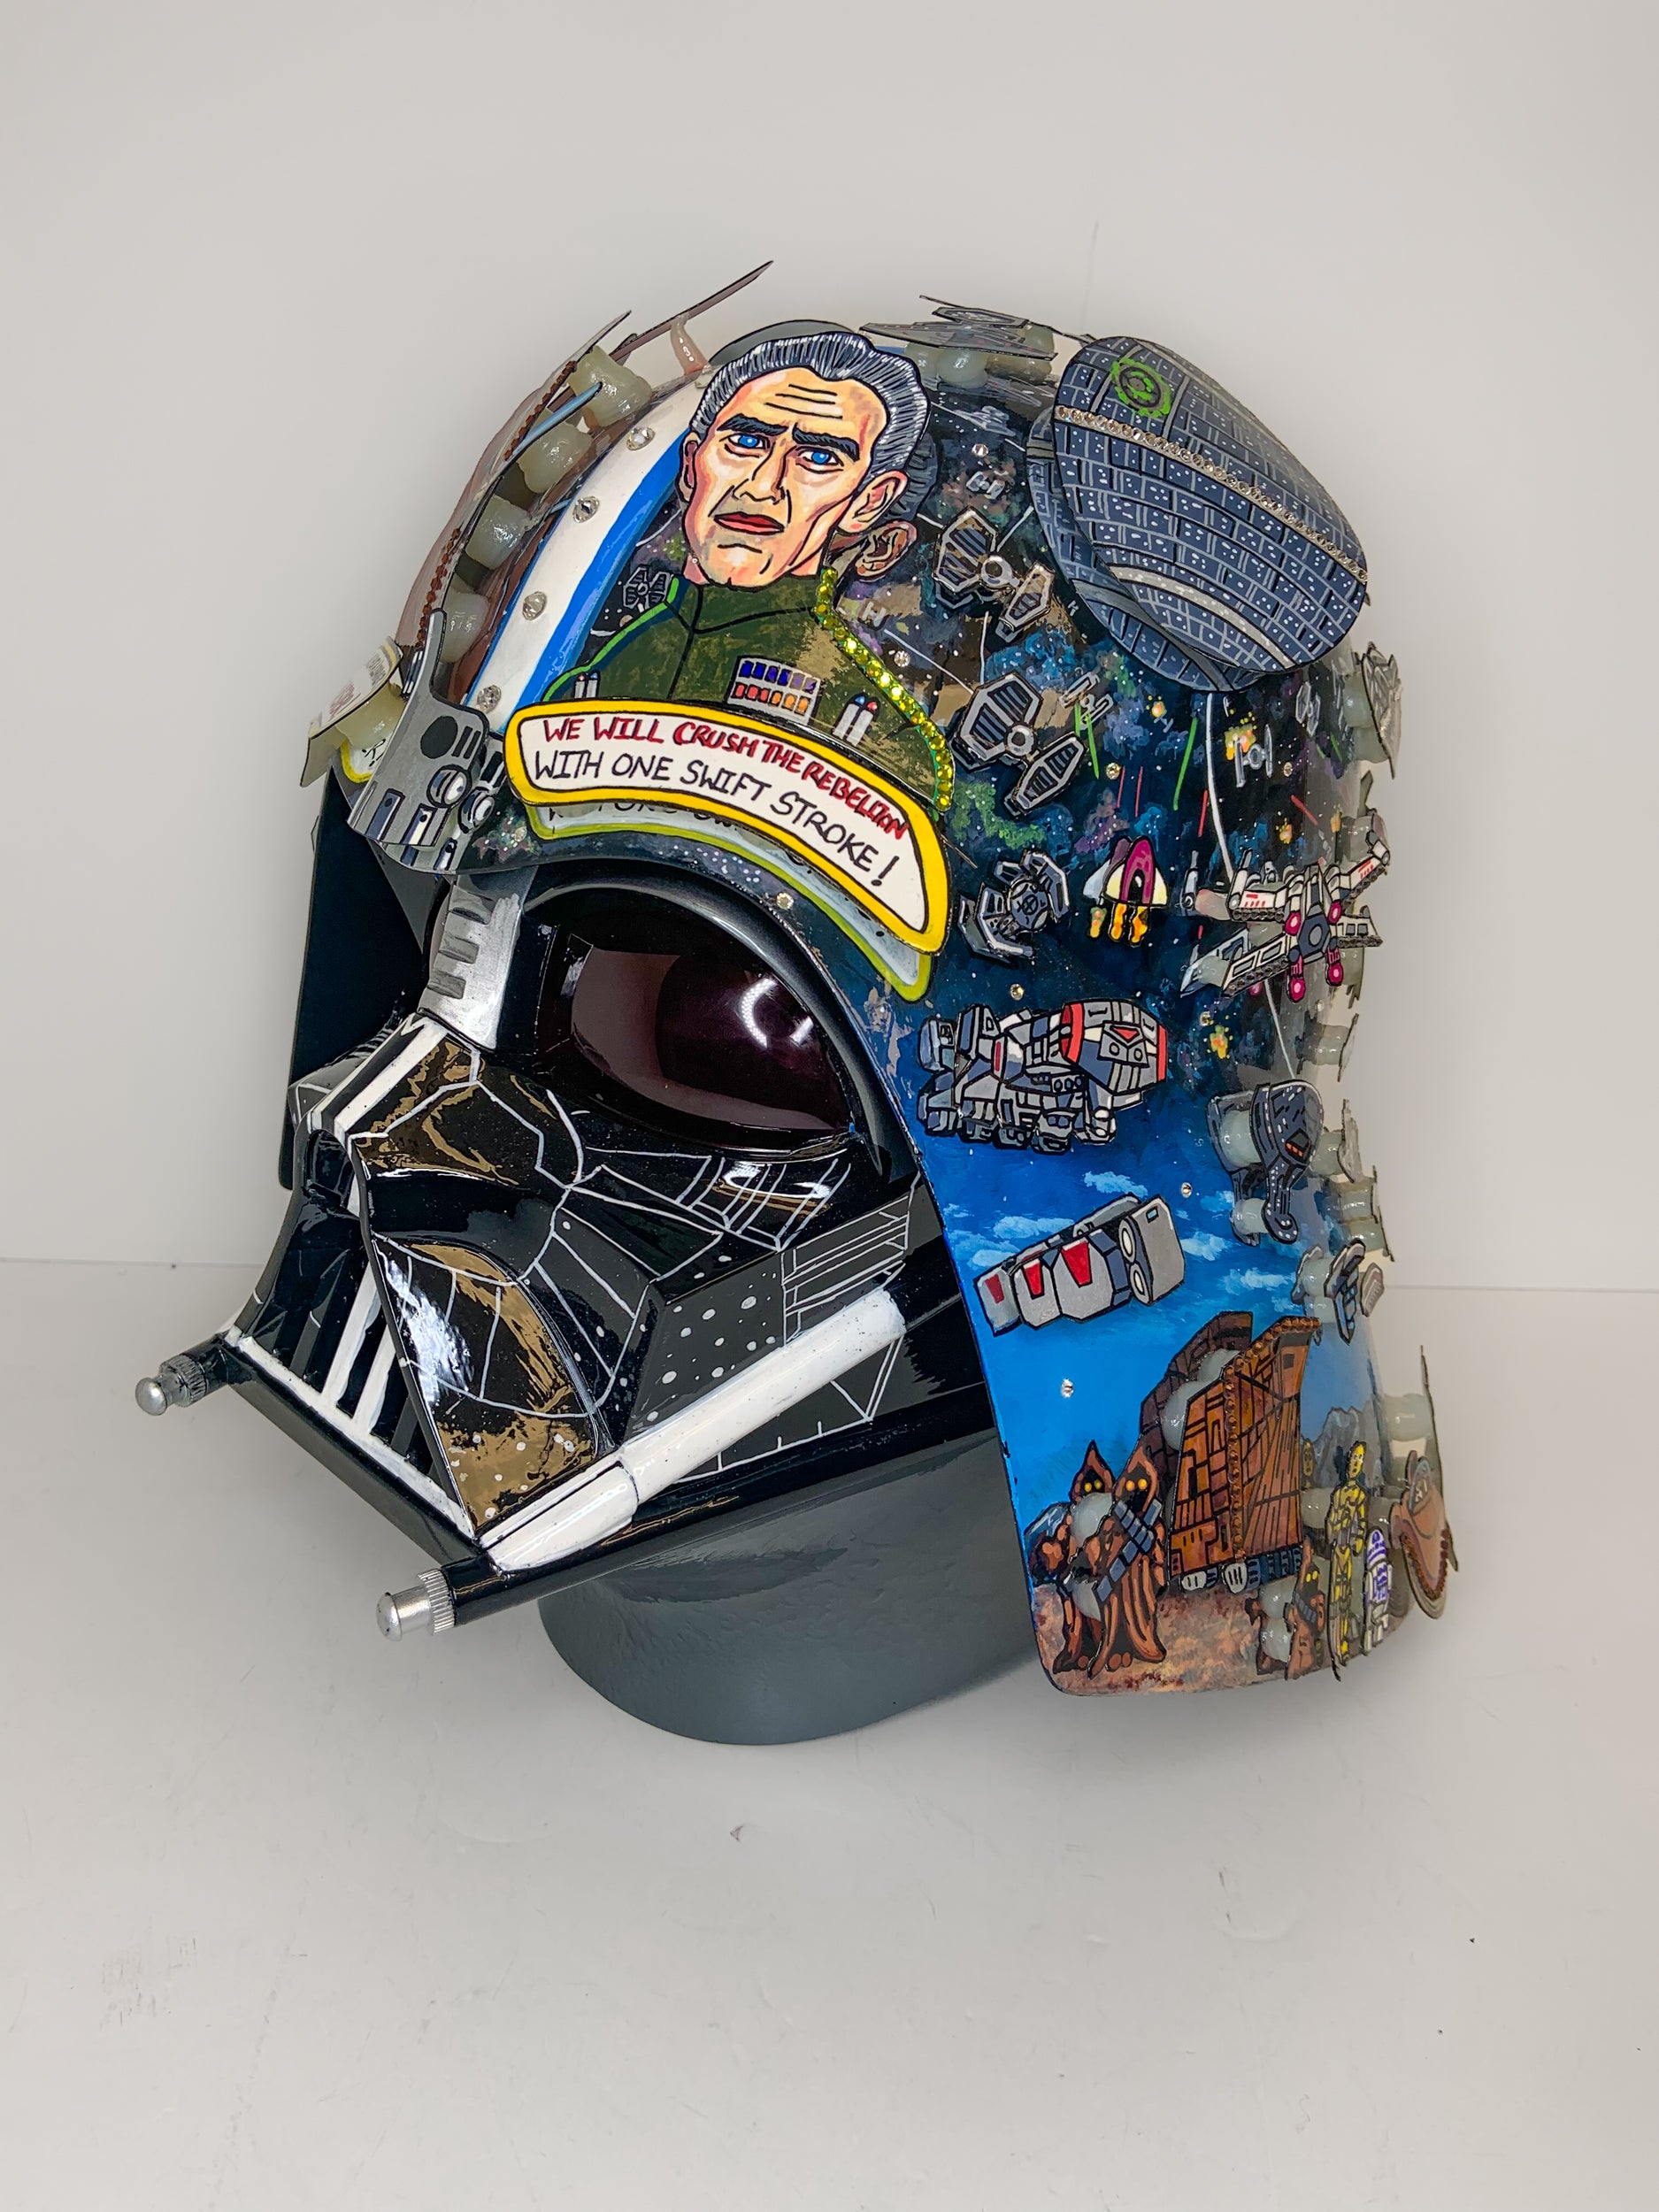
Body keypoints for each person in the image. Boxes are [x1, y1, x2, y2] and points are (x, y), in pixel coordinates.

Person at [544, 331, 947, 803]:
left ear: (868, 501)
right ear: (692, 465)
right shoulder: (602, 670)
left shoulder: (882, 738)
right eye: (746, 441)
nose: (760, 486)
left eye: (818, 458)